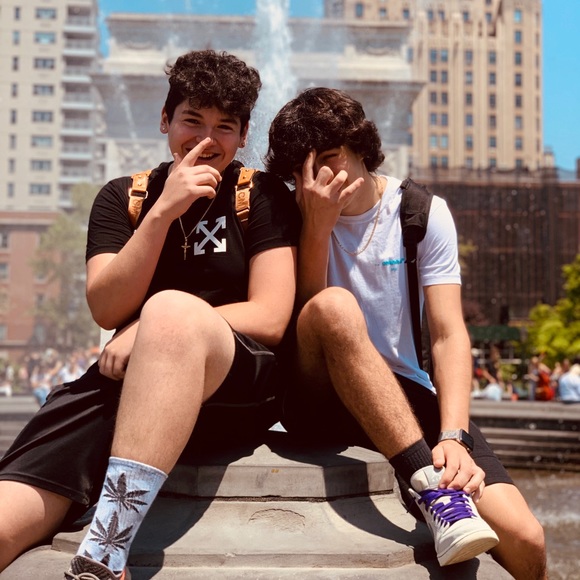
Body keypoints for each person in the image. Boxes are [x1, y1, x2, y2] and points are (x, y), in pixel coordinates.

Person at [0, 49, 300, 579]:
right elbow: (106, 307)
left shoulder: (262, 194)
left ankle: (105, 551)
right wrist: (163, 213)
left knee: (168, 311)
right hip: (124, 386)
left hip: (234, 383)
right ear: (165, 120)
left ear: (243, 135)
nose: (206, 139)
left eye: (224, 127)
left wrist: (149, 325)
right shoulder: (125, 198)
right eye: (192, 120)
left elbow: (271, 315)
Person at [266, 87, 546, 578]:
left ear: (359, 146)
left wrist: (454, 436)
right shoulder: (291, 213)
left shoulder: (420, 212)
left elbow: (448, 334)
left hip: (404, 392)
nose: (317, 180)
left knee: (526, 539)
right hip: (317, 390)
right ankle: (432, 489)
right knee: (333, 307)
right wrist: (317, 228)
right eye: (301, 170)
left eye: (328, 158)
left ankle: (433, 473)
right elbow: (304, 315)